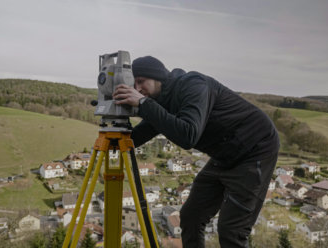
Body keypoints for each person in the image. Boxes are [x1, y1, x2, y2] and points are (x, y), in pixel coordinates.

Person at [113, 56, 279, 248]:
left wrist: (143, 103)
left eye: (141, 82)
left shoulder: (192, 85)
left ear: (157, 77)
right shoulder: (161, 102)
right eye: (134, 84)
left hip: (255, 149)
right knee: (191, 217)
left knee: (231, 230)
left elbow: (187, 135)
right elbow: (138, 135)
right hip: (225, 154)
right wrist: (113, 131)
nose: (138, 88)